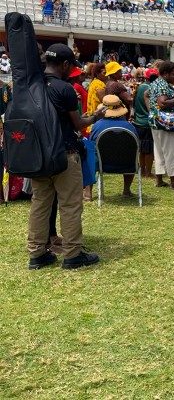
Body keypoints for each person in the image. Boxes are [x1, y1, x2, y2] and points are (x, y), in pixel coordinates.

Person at [26, 44, 103, 270]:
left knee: (40, 204)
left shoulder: (32, 85)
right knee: (70, 205)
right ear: (66, 64)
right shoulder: (65, 89)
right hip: (64, 153)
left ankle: (37, 254)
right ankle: (72, 255)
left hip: (39, 156)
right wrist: (96, 116)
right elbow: (78, 124)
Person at [89, 95, 139, 197]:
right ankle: (126, 190)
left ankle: (87, 192)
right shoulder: (130, 127)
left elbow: (92, 144)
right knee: (130, 154)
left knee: (90, 155)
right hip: (128, 165)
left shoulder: (97, 126)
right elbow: (137, 147)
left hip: (102, 165)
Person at [148, 61, 174, 190]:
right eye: (173, 74)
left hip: (158, 122)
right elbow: (163, 103)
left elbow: (145, 94)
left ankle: (159, 179)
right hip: (167, 124)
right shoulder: (163, 85)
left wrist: (152, 111)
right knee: (171, 151)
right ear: (165, 74)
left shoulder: (156, 83)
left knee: (159, 151)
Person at [133, 68, 157, 178]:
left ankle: (142, 171)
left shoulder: (140, 87)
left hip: (138, 122)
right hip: (148, 123)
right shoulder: (152, 88)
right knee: (149, 149)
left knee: (141, 149)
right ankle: (148, 172)